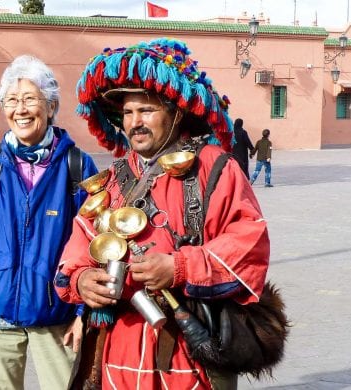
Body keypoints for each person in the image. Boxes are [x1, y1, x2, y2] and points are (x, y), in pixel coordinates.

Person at [54, 38, 270, 389]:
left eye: (146, 110)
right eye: (127, 113)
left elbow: (249, 243)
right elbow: (77, 250)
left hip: (189, 343)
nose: (134, 122)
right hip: (118, 349)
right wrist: (81, 281)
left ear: (176, 111)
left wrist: (179, 267)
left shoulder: (215, 169)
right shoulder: (110, 181)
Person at [0, 55, 98, 389]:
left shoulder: (78, 166)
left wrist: (83, 314)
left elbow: (94, 244)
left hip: (57, 312)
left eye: (31, 99)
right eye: (12, 101)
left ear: (51, 105)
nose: (21, 109)